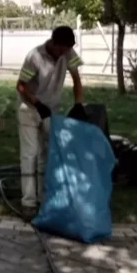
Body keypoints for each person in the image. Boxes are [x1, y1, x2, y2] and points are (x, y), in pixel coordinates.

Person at [16, 26, 86, 221]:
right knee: (30, 155)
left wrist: (78, 104)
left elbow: (76, 79)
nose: (64, 53)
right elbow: (20, 85)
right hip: (29, 109)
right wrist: (37, 104)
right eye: (61, 49)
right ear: (53, 43)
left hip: (51, 110)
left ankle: (43, 198)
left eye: (67, 50)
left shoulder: (68, 52)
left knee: (47, 155)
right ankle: (28, 203)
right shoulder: (34, 57)